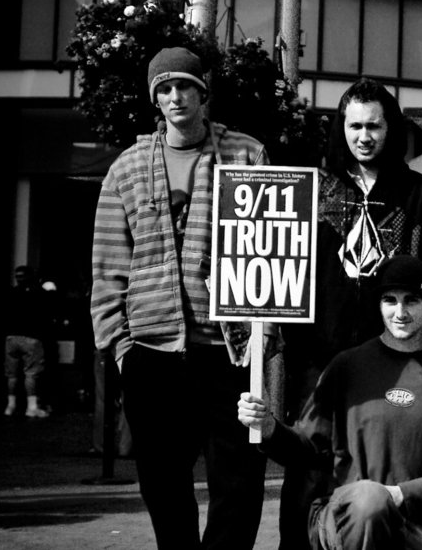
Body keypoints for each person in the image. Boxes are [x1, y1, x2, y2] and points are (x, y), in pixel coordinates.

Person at [91, 46, 270, 549]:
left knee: (240, 483)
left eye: (185, 85)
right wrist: (121, 350)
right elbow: (107, 267)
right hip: (150, 355)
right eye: (165, 88)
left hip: (227, 352)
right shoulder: (126, 169)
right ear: (155, 98)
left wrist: (264, 336)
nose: (176, 96)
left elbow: (274, 252)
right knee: (163, 486)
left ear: (203, 92)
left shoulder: (246, 154)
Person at [280, 78, 422, 550]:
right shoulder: (312, 187)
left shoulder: (416, 191)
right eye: (354, 126)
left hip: (388, 355)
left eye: (374, 125)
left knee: (385, 464)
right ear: (340, 129)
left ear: (391, 129)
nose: (363, 136)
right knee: (309, 467)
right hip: (319, 356)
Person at [237, 254, 422, 550]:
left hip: (411, 525)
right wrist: (268, 428)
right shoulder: (347, 366)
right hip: (341, 518)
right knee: (369, 500)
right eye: (390, 300)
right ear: (378, 305)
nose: (401, 312)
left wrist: (401, 494)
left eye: (411, 300)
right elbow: (307, 449)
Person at [3, 265, 54, 418]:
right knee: (31, 373)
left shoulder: (11, 293)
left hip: (11, 337)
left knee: (12, 375)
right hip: (32, 336)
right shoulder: (39, 293)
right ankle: (32, 407)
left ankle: (10, 406)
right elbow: (49, 311)